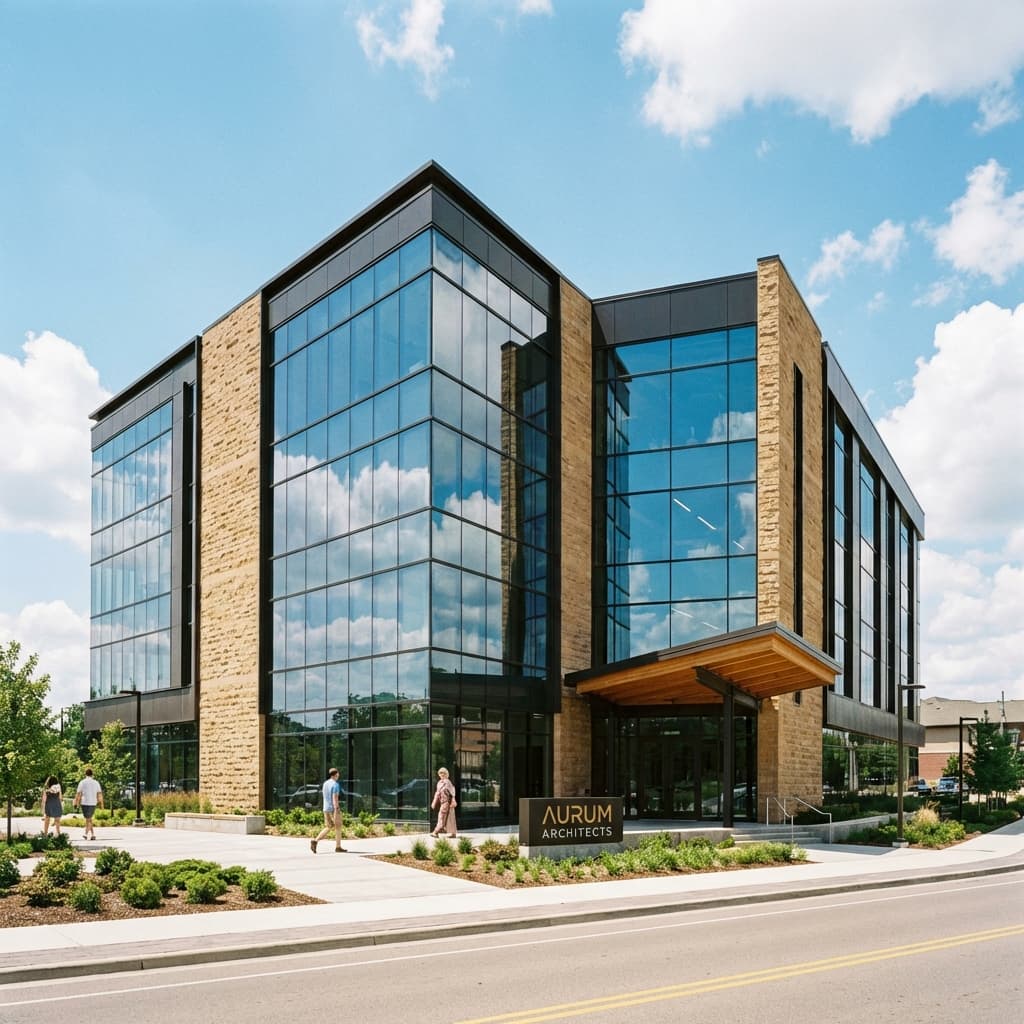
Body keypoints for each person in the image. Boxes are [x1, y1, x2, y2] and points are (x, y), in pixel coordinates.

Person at [310, 768, 346, 854]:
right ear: (336, 774)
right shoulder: (335, 784)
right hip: (332, 809)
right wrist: (336, 809)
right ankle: (337, 847)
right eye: (338, 774)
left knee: (330, 826)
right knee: (338, 826)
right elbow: (335, 798)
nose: (339, 775)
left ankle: (316, 841)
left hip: (325, 808)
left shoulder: (325, 783)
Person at [73, 767, 104, 841]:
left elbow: (78, 794)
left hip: (85, 802)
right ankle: (93, 835)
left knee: (88, 819)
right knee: (89, 819)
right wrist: (102, 804)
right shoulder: (96, 782)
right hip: (93, 803)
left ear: (85, 774)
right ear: (92, 774)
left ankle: (86, 834)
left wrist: (76, 803)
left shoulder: (82, 782)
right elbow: (99, 794)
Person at [430, 767, 457, 838]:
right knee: (449, 817)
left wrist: (453, 800)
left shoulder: (447, 782)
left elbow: (452, 792)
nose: (442, 774)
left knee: (441, 816)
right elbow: (437, 793)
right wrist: (434, 803)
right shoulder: (439, 783)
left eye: (443, 773)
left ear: (446, 774)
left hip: (447, 802)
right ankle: (453, 833)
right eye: (440, 773)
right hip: (442, 802)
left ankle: (435, 832)